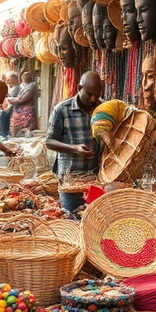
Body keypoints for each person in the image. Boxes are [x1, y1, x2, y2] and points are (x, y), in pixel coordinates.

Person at [47, 71, 103, 216]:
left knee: (94, 223)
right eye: (89, 94)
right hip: (70, 181)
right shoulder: (62, 110)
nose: (93, 99)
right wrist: (73, 148)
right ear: (79, 88)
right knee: (71, 219)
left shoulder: (103, 109)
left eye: (97, 95)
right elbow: (50, 141)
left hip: (95, 181)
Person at [9, 70, 39, 136]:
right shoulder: (21, 86)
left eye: (27, 76)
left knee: (26, 124)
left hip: (27, 108)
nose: (24, 77)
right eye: (23, 76)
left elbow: (23, 99)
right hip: (19, 108)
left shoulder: (32, 85)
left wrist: (11, 100)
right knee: (18, 125)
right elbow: (18, 97)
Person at [0, 71, 20, 138]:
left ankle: (5, 133)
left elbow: (12, 96)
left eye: (11, 78)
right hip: (9, 104)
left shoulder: (16, 87)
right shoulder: (11, 86)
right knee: (3, 116)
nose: (10, 80)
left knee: (4, 116)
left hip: (13, 105)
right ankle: (4, 132)